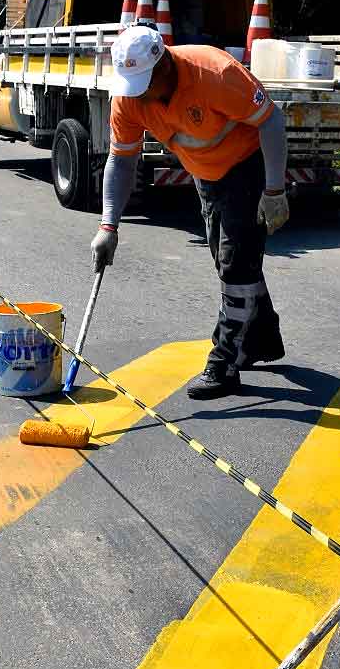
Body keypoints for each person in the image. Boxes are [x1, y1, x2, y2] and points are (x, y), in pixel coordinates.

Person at [91, 24, 290, 399]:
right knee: (230, 261)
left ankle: (224, 364)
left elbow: (272, 120)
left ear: (165, 63)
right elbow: (121, 160)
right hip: (206, 173)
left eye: (146, 83)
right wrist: (109, 226)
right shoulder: (130, 97)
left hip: (248, 165)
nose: (142, 96)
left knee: (235, 264)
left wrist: (274, 190)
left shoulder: (215, 73)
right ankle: (261, 338)